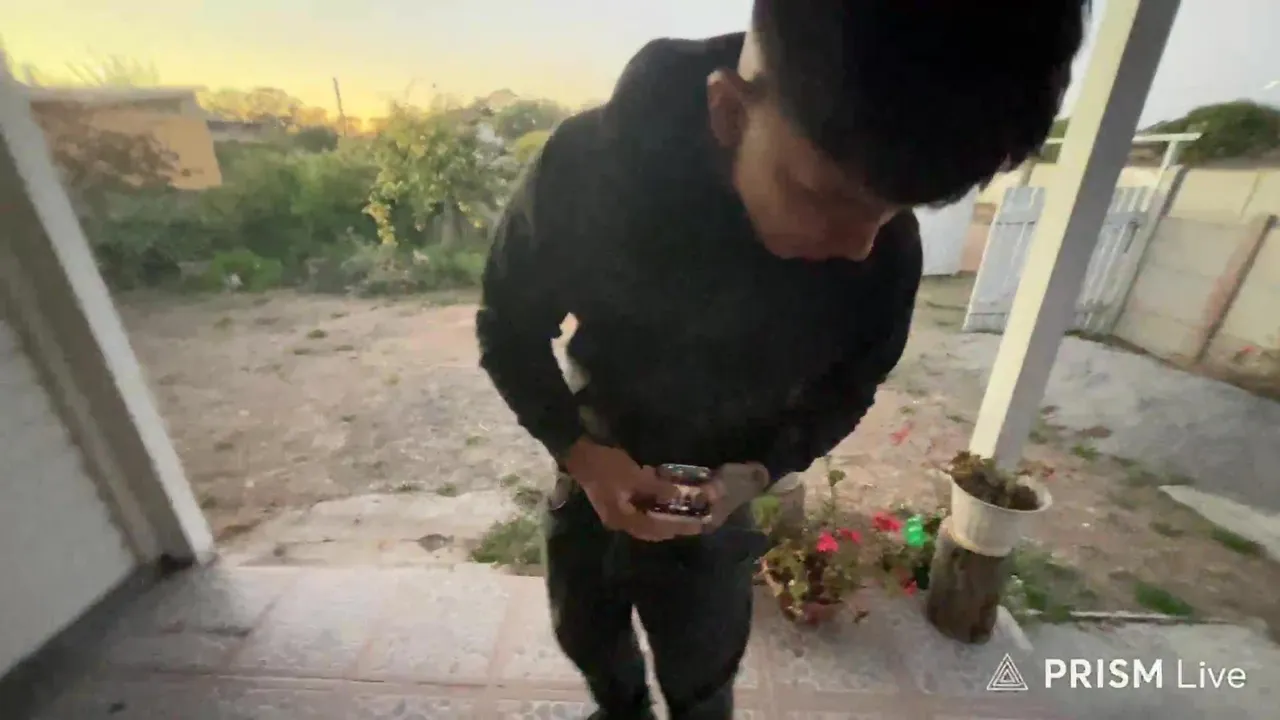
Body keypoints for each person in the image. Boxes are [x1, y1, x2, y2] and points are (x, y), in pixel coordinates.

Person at [477, 2, 1089, 718]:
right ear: (729, 112)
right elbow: (507, 326)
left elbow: (852, 385)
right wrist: (583, 457)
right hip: (592, 462)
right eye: (821, 195)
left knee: (703, 674)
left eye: (891, 211)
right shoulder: (589, 171)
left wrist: (755, 473)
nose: (858, 247)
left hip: (720, 501)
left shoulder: (882, 246)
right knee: (584, 631)